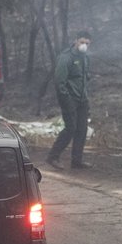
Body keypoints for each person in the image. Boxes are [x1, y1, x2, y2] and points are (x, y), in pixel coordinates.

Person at [47, 31, 92, 170]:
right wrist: (66, 98)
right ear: (75, 41)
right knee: (71, 128)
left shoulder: (85, 58)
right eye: (82, 42)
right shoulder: (66, 57)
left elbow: (85, 77)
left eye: (87, 43)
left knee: (82, 129)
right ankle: (53, 157)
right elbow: (59, 81)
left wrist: (85, 95)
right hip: (69, 98)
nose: (84, 45)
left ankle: (76, 161)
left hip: (82, 99)